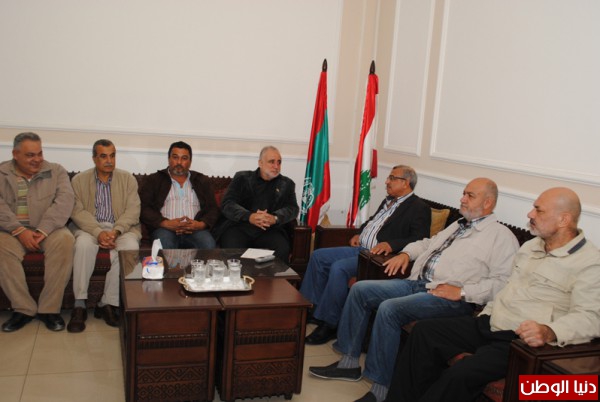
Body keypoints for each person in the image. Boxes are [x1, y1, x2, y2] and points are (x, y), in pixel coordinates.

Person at [309, 178, 520, 402]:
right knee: (361, 290)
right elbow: (427, 243)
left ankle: (380, 390)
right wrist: (405, 254)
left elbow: (502, 283)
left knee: (390, 309)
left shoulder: (501, 237)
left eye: (470, 195)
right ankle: (349, 364)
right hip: (418, 283)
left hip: (449, 298)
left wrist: (462, 292)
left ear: (487, 203)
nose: (462, 199)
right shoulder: (458, 225)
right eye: (464, 193)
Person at [385, 187, 600, 402]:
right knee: (424, 332)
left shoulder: (589, 262)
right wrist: (487, 312)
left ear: (563, 219)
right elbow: (507, 286)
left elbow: (591, 317)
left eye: (539, 210)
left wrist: (549, 331)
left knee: (461, 374)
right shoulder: (531, 247)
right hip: (491, 322)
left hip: (520, 342)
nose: (530, 214)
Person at [300, 165, 432, 345]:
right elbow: (372, 222)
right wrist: (359, 233)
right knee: (318, 256)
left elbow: (420, 238)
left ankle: (330, 323)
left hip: (374, 258)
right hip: (360, 248)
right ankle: (311, 309)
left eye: (392, 178)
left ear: (406, 182)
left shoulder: (419, 207)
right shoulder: (388, 200)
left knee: (339, 268)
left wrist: (391, 244)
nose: (387, 181)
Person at [0, 132, 75, 332]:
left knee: (66, 240)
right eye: (30, 155)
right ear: (15, 154)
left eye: (39, 153)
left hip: (49, 229)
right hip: (11, 231)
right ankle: (23, 309)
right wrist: (19, 230)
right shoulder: (1, 173)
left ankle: (49, 309)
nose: (37, 159)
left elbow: (65, 201)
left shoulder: (56, 171)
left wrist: (44, 229)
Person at [67, 139, 141, 332]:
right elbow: (77, 212)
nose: (109, 160)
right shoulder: (79, 180)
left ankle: (107, 303)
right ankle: (79, 304)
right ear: (94, 158)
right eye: (103, 156)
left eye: (112, 155)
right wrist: (99, 233)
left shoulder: (128, 179)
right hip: (89, 228)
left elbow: (133, 211)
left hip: (121, 229)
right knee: (83, 245)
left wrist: (115, 231)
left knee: (130, 247)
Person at [213, 146, 299, 263]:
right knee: (232, 248)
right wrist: (249, 216)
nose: (276, 166)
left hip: (270, 230)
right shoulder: (242, 178)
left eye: (279, 162)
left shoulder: (287, 184)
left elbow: (293, 208)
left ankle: (275, 276)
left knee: (282, 248)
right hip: (239, 227)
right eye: (271, 162)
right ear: (260, 163)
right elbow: (227, 203)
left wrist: (275, 218)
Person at [140, 141, 218, 249]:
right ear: (169, 159)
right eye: (175, 157)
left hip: (195, 230)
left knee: (208, 244)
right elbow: (144, 208)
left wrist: (200, 224)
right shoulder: (154, 180)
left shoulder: (202, 181)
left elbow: (213, 209)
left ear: (190, 161)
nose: (179, 162)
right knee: (165, 242)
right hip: (165, 229)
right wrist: (164, 223)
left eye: (184, 158)